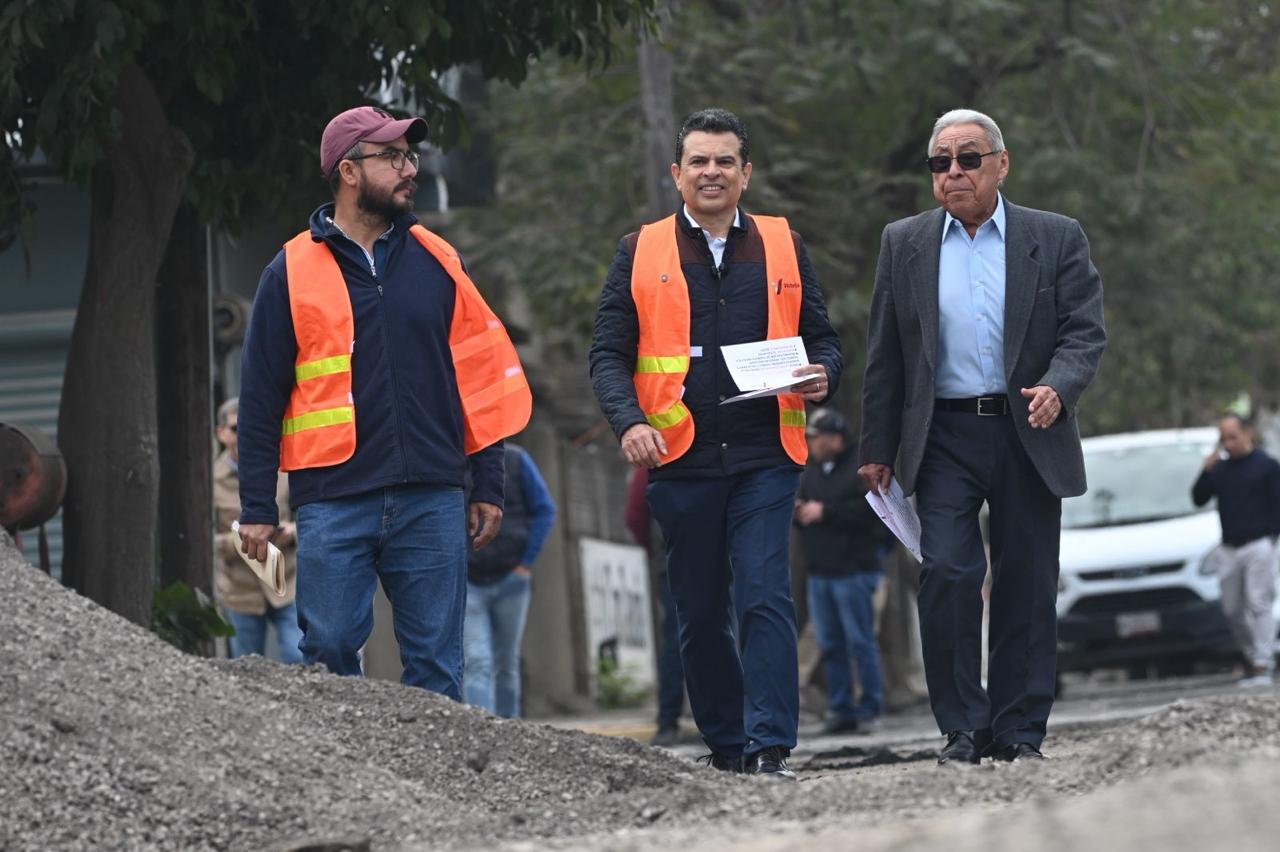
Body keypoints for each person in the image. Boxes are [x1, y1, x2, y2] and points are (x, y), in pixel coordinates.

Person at [236, 105, 532, 698]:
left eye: (409, 156)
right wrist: (257, 506)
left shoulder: (440, 260)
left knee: (437, 664)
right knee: (329, 651)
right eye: (392, 156)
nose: (409, 169)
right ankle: (352, 787)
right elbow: (261, 398)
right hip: (332, 499)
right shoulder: (288, 271)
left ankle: (435, 789)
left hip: (432, 493)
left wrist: (487, 482)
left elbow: (478, 378)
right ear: (348, 171)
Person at [590, 108, 842, 779]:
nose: (712, 172)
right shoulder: (638, 251)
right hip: (680, 460)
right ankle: (727, 745)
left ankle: (769, 746)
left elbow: (824, 338)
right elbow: (608, 354)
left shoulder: (784, 245)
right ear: (677, 175)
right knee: (699, 614)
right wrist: (629, 421)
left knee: (763, 594)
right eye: (699, 161)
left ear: (745, 173)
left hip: (765, 454)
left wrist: (826, 376)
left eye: (724, 160)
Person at [858, 108, 1105, 764]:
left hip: (1030, 427)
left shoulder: (1054, 238)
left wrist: (1060, 383)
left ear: (1002, 163)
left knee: (1026, 581)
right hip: (942, 436)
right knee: (948, 571)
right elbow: (887, 353)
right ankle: (963, 727)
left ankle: (1019, 730)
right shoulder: (903, 242)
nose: (955, 173)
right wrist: (876, 448)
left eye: (969, 158)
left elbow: (1085, 330)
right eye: (941, 162)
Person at [794, 407, 888, 734]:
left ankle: (870, 709)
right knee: (830, 645)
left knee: (860, 642)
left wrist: (826, 512)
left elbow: (871, 514)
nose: (813, 444)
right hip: (820, 573)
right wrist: (801, 512)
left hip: (854, 570)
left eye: (817, 438)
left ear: (835, 437)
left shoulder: (859, 469)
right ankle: (840, 709)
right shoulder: (811, 473)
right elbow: (803, 508)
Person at [463, 444, 556, 717]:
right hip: (469, 581)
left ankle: (509, 731)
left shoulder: (516, 460)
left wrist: (525, 563)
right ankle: (484, 731)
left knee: (506, 663)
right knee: (477, 660)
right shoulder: (449, 461)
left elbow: (544, 509)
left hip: (511, 580)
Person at [212, 397, 303, 663]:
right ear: (221, 433)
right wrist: (240, 540)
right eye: (236, 429)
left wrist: (292, 532)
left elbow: (309, 517)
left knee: (298, 658)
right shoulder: (210, 479)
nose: (244, 434)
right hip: (241, 591)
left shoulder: (284, 467)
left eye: (250, 426)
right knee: (248, 669)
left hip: (287, 582)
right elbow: (205, 540)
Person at [1191, 413, 1280, 686]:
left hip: (1259, 544)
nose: (1229, 443)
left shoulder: (1267, 465)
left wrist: (1272, 541)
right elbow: (1198, 498)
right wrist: (1205, 470)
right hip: (1229, 547)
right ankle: (1254, 654)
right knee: (1231, 609)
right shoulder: (1220, 469)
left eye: (1233, 436)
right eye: (1224, 438)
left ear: (1246, 433)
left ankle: (1263, 664)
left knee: (1258, 602)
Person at [624, 466, 686, 746]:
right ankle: (739, 717)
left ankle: (668, 722)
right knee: (725, 633)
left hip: (671, 560)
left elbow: (635, 514)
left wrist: (654, 552)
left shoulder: (655, 452)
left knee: (677, 640)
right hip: (706, 561)